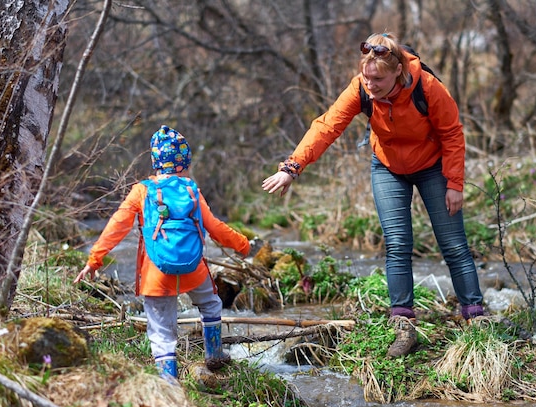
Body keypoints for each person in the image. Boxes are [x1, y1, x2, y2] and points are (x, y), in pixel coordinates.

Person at [262, 32, 484, 357]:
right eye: (367, 77)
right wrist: (291, 168)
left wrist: (454, 184)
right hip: (387, 166)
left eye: (378, 79)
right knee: (397, 243)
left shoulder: (428, 88)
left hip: (432, 166)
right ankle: (403, 323)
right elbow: (327, 127)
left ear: (398, 71)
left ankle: (475, 316)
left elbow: (452, 134)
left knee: (453, 243)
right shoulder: (361, 88)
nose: (371, 85)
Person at [75, 125, 250, 380]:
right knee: (211, 304)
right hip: (193, 268)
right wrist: (243, 245)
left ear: (156, 162)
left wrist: (95, 259)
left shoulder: (142, 191)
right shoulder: (191, 190)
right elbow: (215, 227)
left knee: (162, 332)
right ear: (185, 162)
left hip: (156, 273)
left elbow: (117, 226)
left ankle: (169, 385)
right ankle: (214, 355)